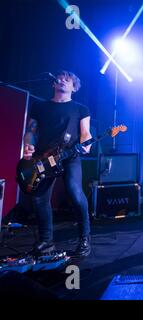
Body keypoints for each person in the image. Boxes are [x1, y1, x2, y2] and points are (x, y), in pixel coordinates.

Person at [23, 70, 92, 256]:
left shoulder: (80, 108)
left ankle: (84, 238)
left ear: (74, 87)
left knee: (75, 192)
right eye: (59, 78)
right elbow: (31, 130)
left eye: (67, 79)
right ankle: (46, 241)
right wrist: (28, 143)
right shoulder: (39, 106)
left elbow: (85, 132)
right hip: (43, 158)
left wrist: (87, 144)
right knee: (39, 198)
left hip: (70, 156)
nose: (62, 80)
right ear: (53, 84)